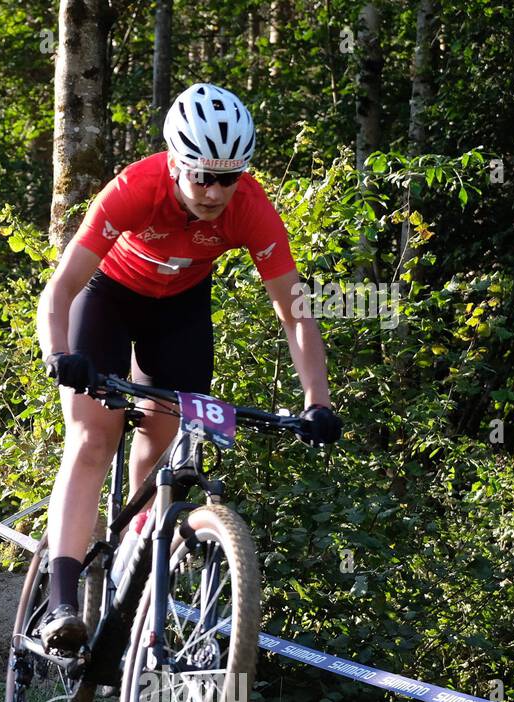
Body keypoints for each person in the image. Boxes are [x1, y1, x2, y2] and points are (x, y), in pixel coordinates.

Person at [34, 82, 343, 653]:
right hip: (108, 297)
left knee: (164, 451)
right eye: (203, 175)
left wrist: (317, 400)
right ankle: (61, 602)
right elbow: (60, 290)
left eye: (229, 177)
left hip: (178, 309)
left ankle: (128, 578)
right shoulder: (134, 188)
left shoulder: (250, 207)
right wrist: (59, 355)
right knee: (93, 439)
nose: (215, 191)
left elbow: (295, 312)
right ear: (176, 161)